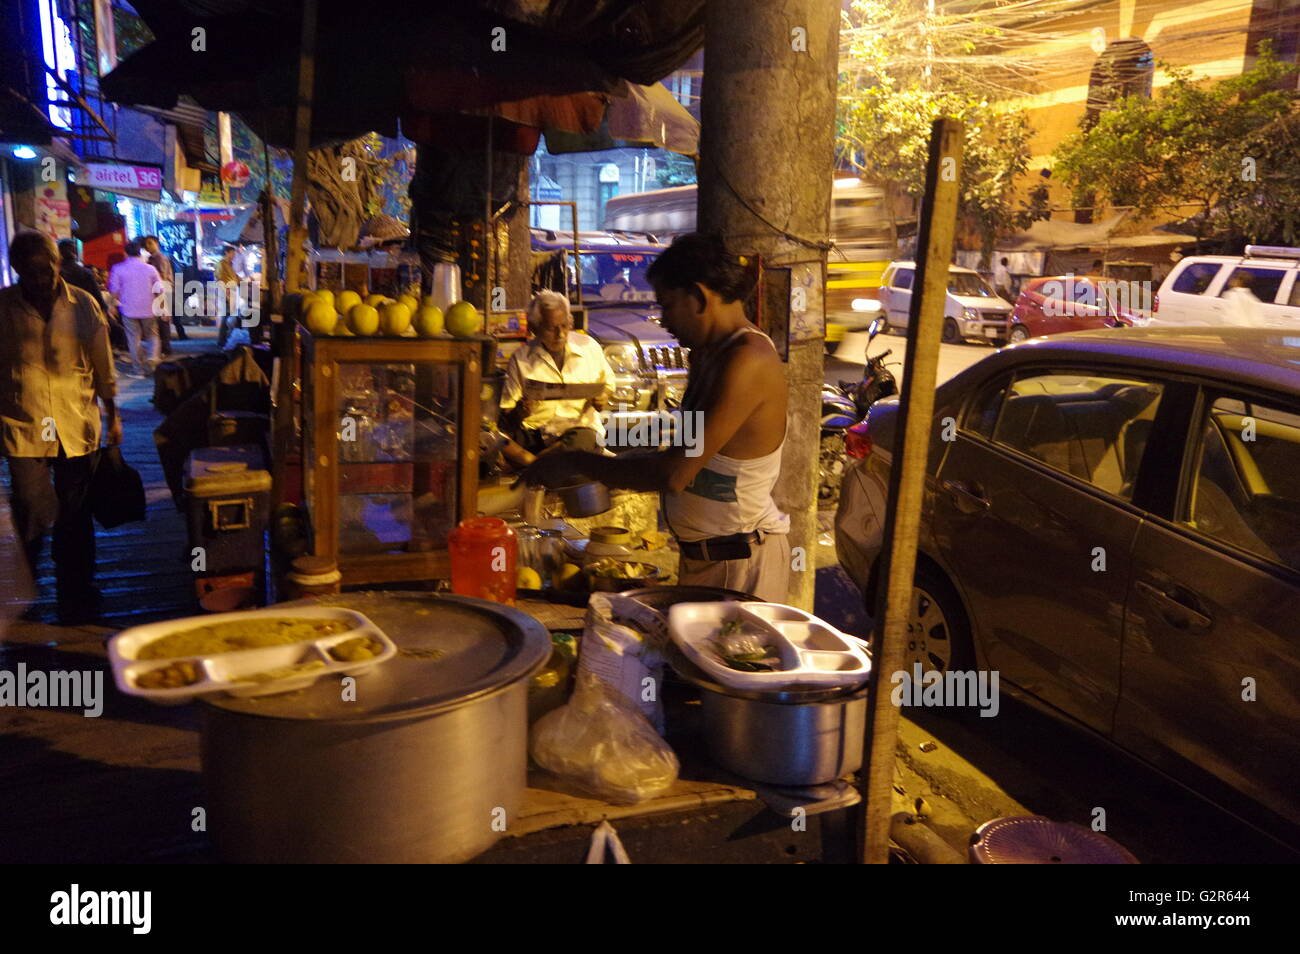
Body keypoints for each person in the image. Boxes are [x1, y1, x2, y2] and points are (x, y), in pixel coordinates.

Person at [522, 233, 791, 602]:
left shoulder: (748, 359)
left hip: (740, 559)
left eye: (667, 304)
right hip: (707, 557)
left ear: (698, 297)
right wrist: (599, 443)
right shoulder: (709, 354)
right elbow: (686, 440)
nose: (662, 320)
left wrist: (578, 462)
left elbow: (674, 474)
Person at [0, 231, 120, 624]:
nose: (42, 278)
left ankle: (77, 589)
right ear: (18, 270)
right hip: (24, 425)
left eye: (47, 267)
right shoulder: (3, 308)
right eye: (31, 271)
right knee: (32, 509)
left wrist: (113, 412)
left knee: (76, 514)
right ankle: (29, 586)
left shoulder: (82, 305)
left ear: (58, 263)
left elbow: (103, 363)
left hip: (75, 423)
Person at [500, 289, 615, 458]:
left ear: (570, 321)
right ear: (535, 328)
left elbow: (608, 384)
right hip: (535, 437)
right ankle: (546, 461)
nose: (560, 334)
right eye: (551, 329)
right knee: (495, 437)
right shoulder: (521, 358)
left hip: (577, 434)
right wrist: (521, 411)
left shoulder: (589, 347)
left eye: (564, 325)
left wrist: (602, 397)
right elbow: (507, 412)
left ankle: (536, 463)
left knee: (584, 439)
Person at [108, 240, 163, 376]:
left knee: (133, 338)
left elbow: (114, 290)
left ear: (125, 253)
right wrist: (163, 307)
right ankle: (152, 359)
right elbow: (160, 289)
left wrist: (111, 306)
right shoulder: (150, 268)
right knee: (152, 335)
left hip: (128, 309)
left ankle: (138, 369)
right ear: (140, 252)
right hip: (149, 308)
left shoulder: (118, 268)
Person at [143, 235, 186, 352]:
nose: (148, 246)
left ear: (156, 243)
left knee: (163, 321)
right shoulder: (151, 259)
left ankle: (166, 348)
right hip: (158, 292)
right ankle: (164, 347)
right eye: (146, 244)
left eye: (150, 243)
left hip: (163, 291)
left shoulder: (160, 258)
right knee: (161, 320)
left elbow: (161, 276)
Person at [216, 244, 241, 348]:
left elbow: (235, 278)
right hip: (226, 294)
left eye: (234, 253)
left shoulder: (230, 264)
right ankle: (221, 341)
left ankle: (225, 339)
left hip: (232, 293)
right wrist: (226, 292)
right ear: (227, 252)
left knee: (229, 317)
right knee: (226, 317)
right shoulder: (222, 264)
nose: (234, 255)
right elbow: (220, 278)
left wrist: (247, 281)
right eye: (232, 253)